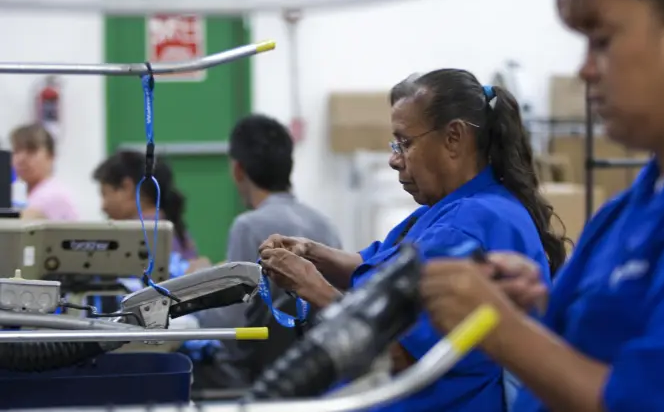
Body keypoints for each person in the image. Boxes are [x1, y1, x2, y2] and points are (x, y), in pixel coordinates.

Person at [419, 0, 664, 411]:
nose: (584, 70)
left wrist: (501, 329)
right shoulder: (629, 210)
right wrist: (541, 308)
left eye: (602, 42)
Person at [259, 69, 568, 412]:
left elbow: (399, 355)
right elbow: (376, 271)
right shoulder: (453, 209)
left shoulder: (467, 226)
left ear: (454, 138)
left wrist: (310, 286)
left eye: (405, 143)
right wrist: (312, 254)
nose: (394, 159)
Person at [190, 114, 342, 392]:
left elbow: (231, 326)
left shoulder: (248, 226)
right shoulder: (324, 224)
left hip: (259, 377)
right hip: (319, 373)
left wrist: (199, 287)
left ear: (238, 170)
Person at [92, 150, 198, 267]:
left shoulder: (132, 238)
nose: (103, 206)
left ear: (127, 187)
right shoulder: (177, 231)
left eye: (105, 194)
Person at [10, 123, 78, 220]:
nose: (21, 159)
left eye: (31, 151)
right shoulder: (28, 196)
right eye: (16, 151)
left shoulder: (52, 196)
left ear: (50, 155)